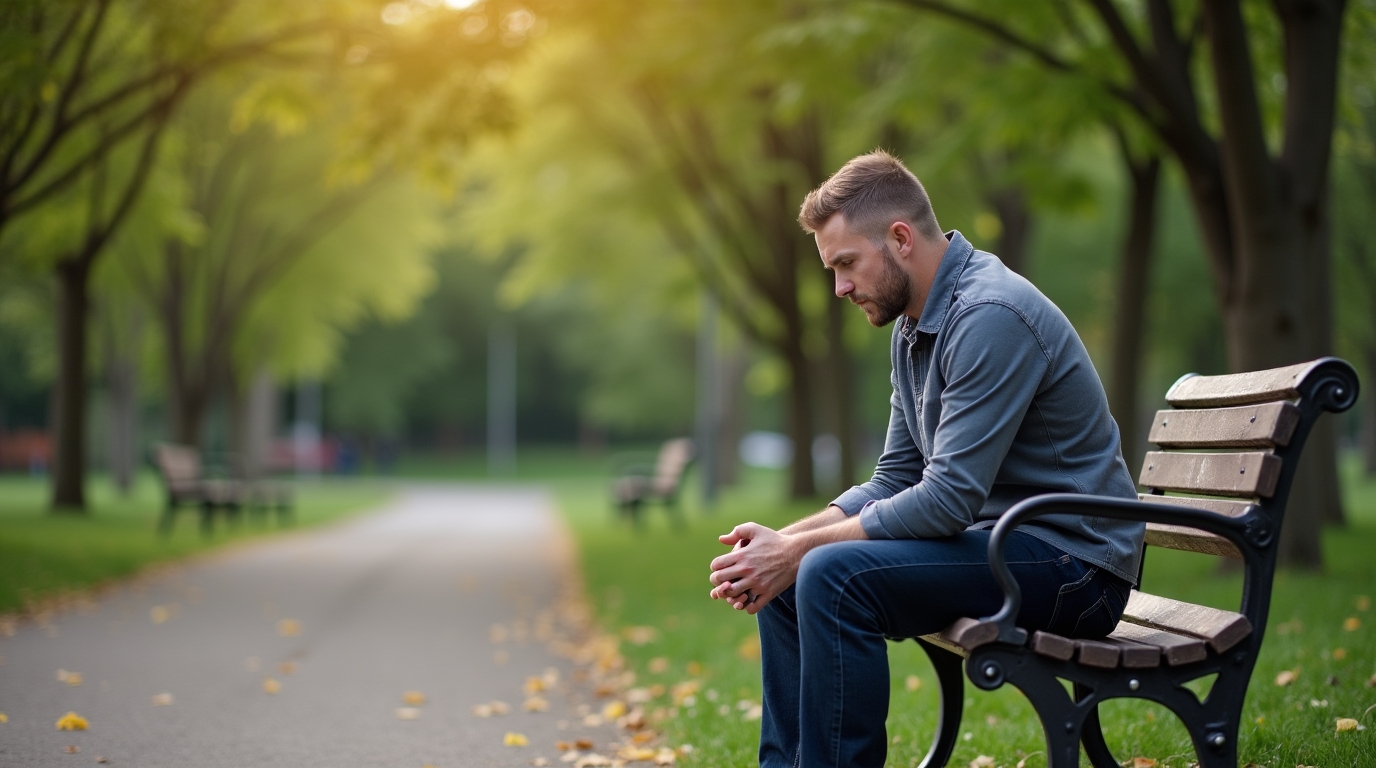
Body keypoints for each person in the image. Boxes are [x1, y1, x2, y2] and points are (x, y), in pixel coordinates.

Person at [707, 150, 1144, 768]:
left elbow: (948, 498)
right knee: (790, 578)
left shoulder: (989, 315)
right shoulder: (914, 329)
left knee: (832, 575)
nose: (839, 287)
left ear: (901, 238)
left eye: (846, 264)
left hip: (1078, 566)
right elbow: (896, 478)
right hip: (1006, 543)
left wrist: (800, 551)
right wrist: (781, 542)